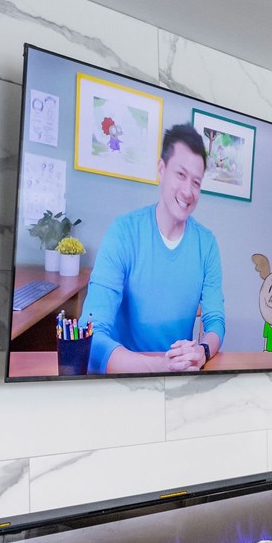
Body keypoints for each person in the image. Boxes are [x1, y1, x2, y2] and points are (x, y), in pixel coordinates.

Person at [86, 123, 225, 373]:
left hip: (178, 378)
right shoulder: (123, 233)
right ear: (161, 169)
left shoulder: (207, 244)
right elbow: (91, 334)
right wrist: (162, 365)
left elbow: (215, 322)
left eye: (196, 182)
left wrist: (201, 353)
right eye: (180, 175)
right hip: (123, 379)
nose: (187, 191)